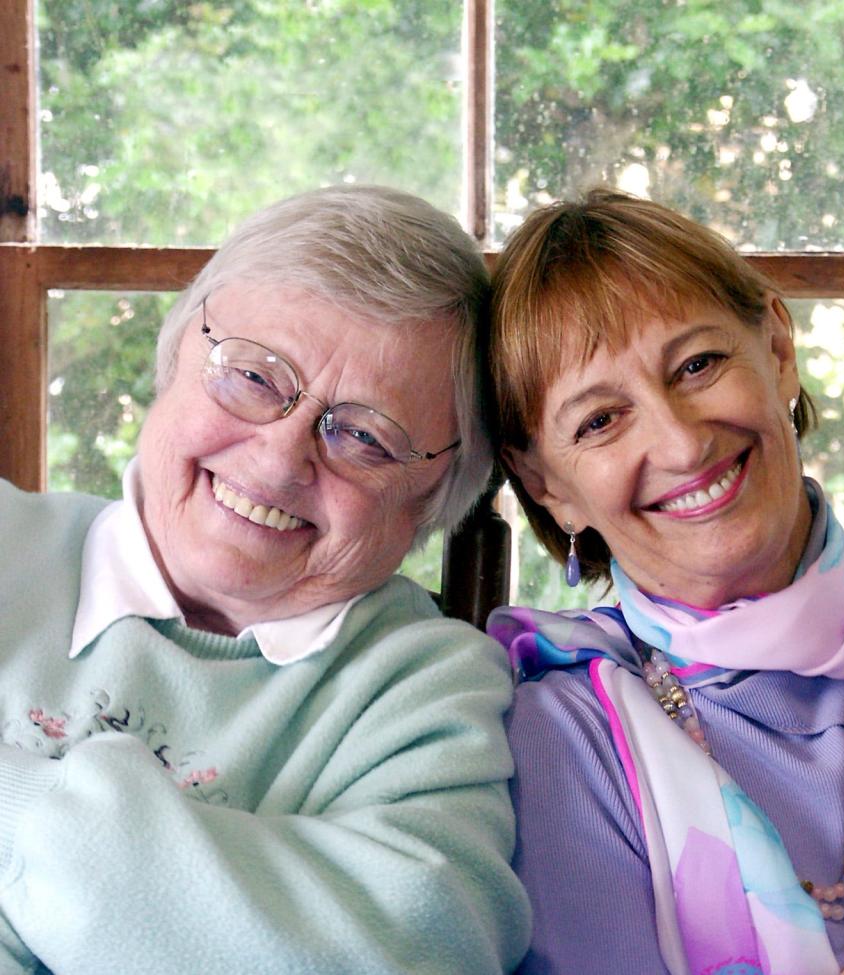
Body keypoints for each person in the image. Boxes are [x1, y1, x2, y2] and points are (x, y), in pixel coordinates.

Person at [0, 185, 531, 974]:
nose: (281, 459)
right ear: (177, 349)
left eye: (363, 435)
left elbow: (419, 950)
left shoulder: (428, 689)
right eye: (251, 375)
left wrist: (23, 807)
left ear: (436, 497)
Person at [483, 188, 844, 974]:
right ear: (546, 485)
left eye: (697, 365)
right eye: (600, 420)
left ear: (777, 348)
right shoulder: (558, 734)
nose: (679, 442)